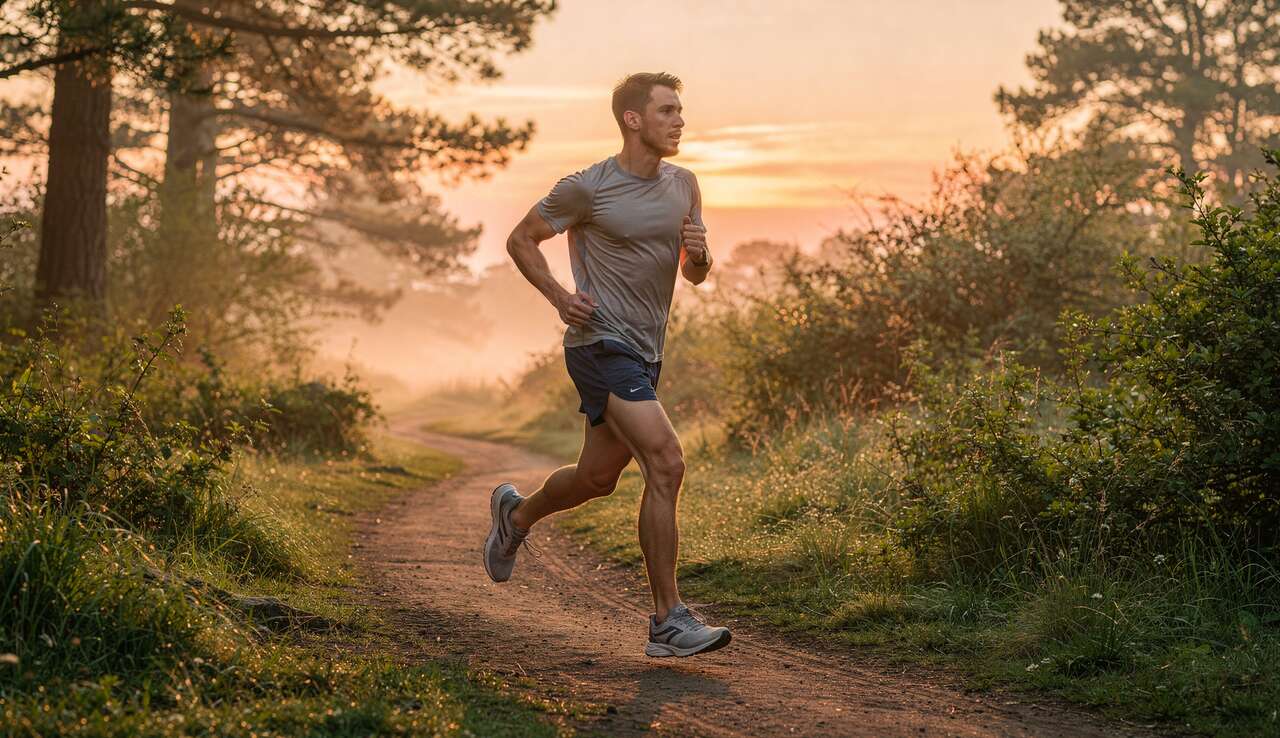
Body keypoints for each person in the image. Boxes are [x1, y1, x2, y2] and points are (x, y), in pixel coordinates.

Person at [482, 71, 730, 658]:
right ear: (632, 119)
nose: (679, 121)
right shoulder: (587, 188)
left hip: (646, 353)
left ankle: (515, 517)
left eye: (680, 111)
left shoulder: (685, 184)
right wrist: (558, 297)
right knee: (666, 462)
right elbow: (521, 239)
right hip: (598, 344)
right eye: (667, 110)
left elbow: (695, 273)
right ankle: (668, 620)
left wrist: (700, 255)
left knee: (596, 479)